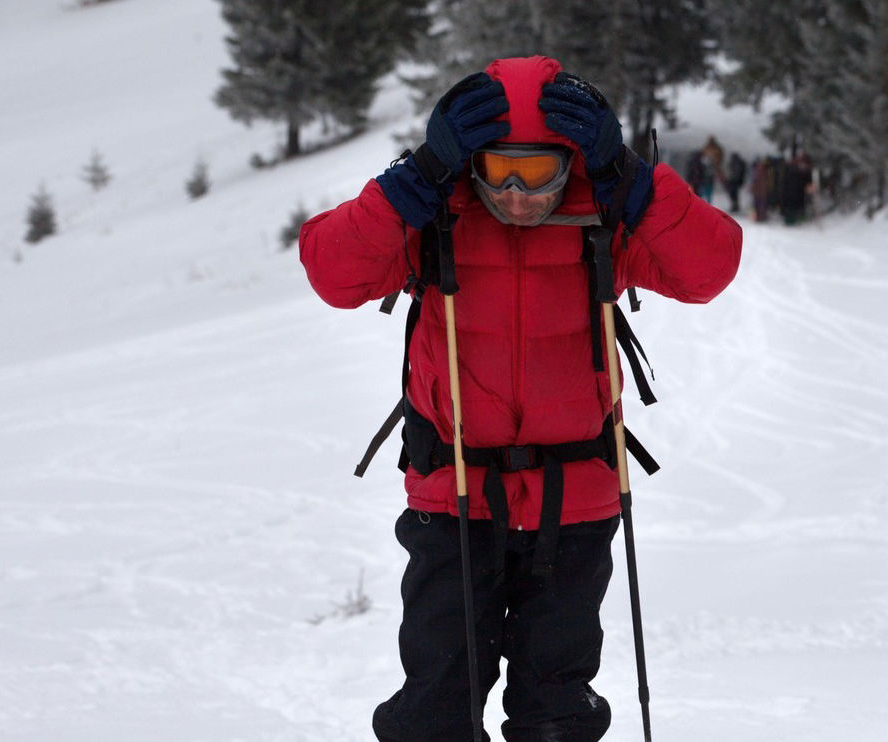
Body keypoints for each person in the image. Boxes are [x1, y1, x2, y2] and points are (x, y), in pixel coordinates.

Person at [299, 55, 741, 742]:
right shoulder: (432, 216)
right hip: (453, 497)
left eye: (537, 173)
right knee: (435, 711)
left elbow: (709, 270)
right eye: (497, 168)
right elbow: (332, 272)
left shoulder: (604, 217)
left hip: (577, 498)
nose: (515, 192)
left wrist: (634, 182)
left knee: (555, 713)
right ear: (467, 161)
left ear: (571, 162)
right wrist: (410, 183)